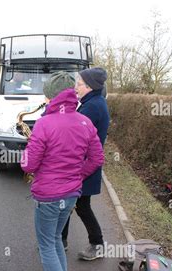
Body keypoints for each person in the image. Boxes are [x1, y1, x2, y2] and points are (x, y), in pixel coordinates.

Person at [20, 71, 104, 271]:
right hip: (71, 194)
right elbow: (97, 158)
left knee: (47, 243)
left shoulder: (45, 123)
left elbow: (28, 165)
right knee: (55, 239)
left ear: (52, 97)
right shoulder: (84, 121)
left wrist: (29, 148)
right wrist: (78, 174)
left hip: (48, 196)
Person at [61, 67, 111, 260]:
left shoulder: (92, 106)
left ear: (90, 86)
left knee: (72, 203)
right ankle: (63, 240)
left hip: (84, 166)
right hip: (84, 165)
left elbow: (75, 134)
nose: (76, 88)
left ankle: (97, 244)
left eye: (79, 84)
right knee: (73, 203)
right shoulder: (92, 102)